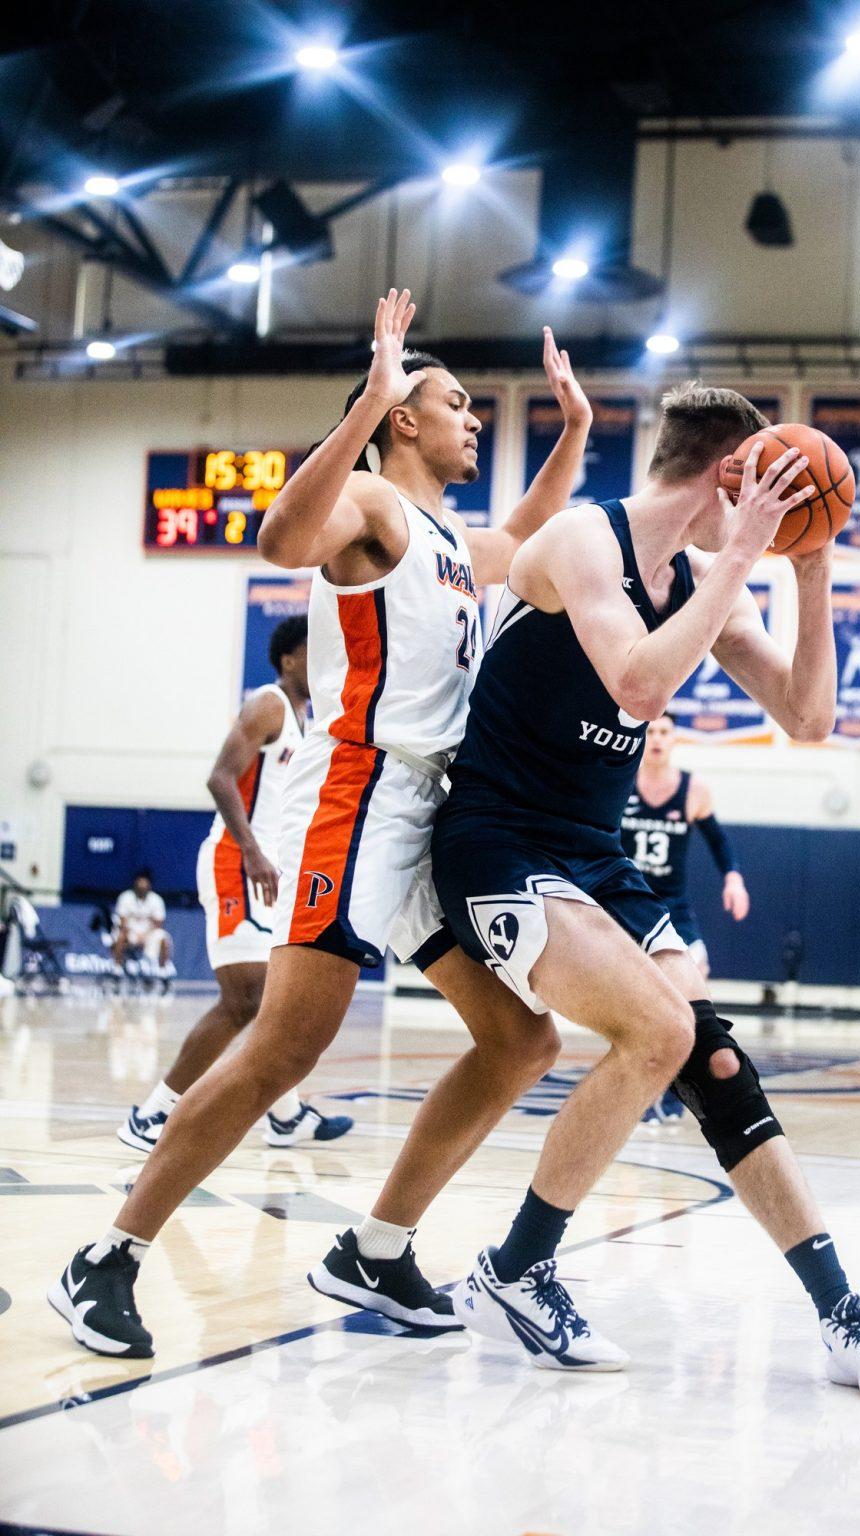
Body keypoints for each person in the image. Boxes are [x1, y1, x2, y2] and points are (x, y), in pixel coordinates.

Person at [48, 288, 592, 1358]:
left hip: (428, 814)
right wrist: (367, 399)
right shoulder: (371, 508)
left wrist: (573, 427)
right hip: (363, 801)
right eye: (454, 403)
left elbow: (528, 531)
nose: (473, 417)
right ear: (402, 418)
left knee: (522, 1038)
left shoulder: (442, 535)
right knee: (281, 1051)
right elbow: (276, 537)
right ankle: (104, 1260)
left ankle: (376, 1250)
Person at [430, 383, 860, 1393]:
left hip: (594, 857)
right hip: (497, 842)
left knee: (711, 1062)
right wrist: (745, 551)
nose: (779, 506)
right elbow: (640, 685)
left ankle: (842, 1316)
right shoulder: (579, 543)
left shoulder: (708, 578)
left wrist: (816, 564)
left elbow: (810, 715)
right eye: (767, 484)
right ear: (728, 476)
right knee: (657, 1033)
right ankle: (520, 1266)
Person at [116, 616, 354, 1155]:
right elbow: (220, 777)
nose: (321, 661)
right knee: (245, 998)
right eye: (311, 651)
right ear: (289, 659)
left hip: (272, 868)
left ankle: (287, 1117)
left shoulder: (307, 720)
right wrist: (251, 849)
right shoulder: (268, 704)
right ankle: (151, 1113)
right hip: (236, 860)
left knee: (275, 1001)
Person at [620, 712, 749, 980]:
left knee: (697, 969)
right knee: (616, 974)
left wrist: (733, 879)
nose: (656, 739)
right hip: (624, 896)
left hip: (671, 902)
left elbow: (717, 839)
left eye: (664, 733)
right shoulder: (620, 782)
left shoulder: (694, 789)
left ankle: (691, 1022)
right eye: (650, 732)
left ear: (674, 739)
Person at [112, 871, 174, 990]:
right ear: (135, 884)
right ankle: (117, 970)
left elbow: (159, 923)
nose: (142, 885)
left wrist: (145, 936)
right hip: (131, 932)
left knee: (163, 938)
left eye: (144, 883)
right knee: (120, 936)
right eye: (139, 882)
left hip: (149, 933)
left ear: (149, 885)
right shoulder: (125, 897)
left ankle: (163, 972)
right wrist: (132, 933)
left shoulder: (156, 900)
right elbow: (122, 921)